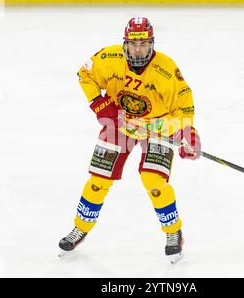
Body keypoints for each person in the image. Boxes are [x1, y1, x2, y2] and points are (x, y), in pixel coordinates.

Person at [59, 17, 201, 264]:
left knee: (154, 181)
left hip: (158, 126)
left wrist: (187, 132)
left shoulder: (166, 69)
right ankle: (80, 228)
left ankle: (173, 233)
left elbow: (184, 103)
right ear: (125, 43)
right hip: (119, 124)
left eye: (144, 44)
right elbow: (85, 74)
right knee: (97, 180)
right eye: (133, 44)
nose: (138, 50)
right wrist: (100, 103)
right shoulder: (108, 58)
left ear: (152, 43)